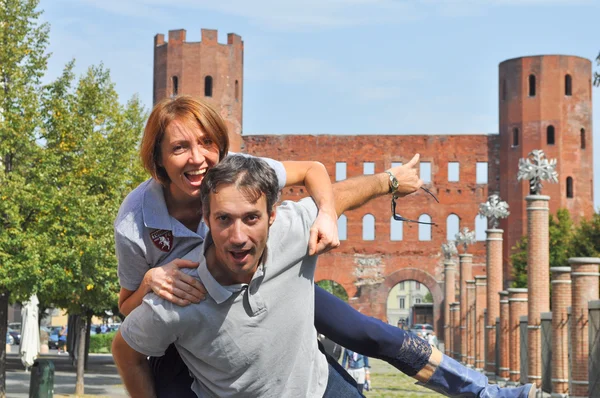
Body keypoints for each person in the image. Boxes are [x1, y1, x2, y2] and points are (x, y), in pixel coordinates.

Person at [114, 95, 536, 398]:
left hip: (268, 284)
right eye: (180, 147)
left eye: (207, 143)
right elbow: (125, 312)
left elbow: (316, 174)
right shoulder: (135, 220)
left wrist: (334, 209)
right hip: (191, 317)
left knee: (369, 332)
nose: (198, 158)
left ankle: (483, 392)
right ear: (158, 157)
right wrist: (151, 282)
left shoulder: (241, 177)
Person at [113, 155, 365, 397]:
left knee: (375, 335)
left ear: (271, 216)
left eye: (251, 217)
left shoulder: (282, 219)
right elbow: (125, 345)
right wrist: (149, 280)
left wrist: (389, 181)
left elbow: (319, 175)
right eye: (224, 218)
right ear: (207, 217)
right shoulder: (174, 288)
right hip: (190, 344)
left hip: (319, 387)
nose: (238, 236)